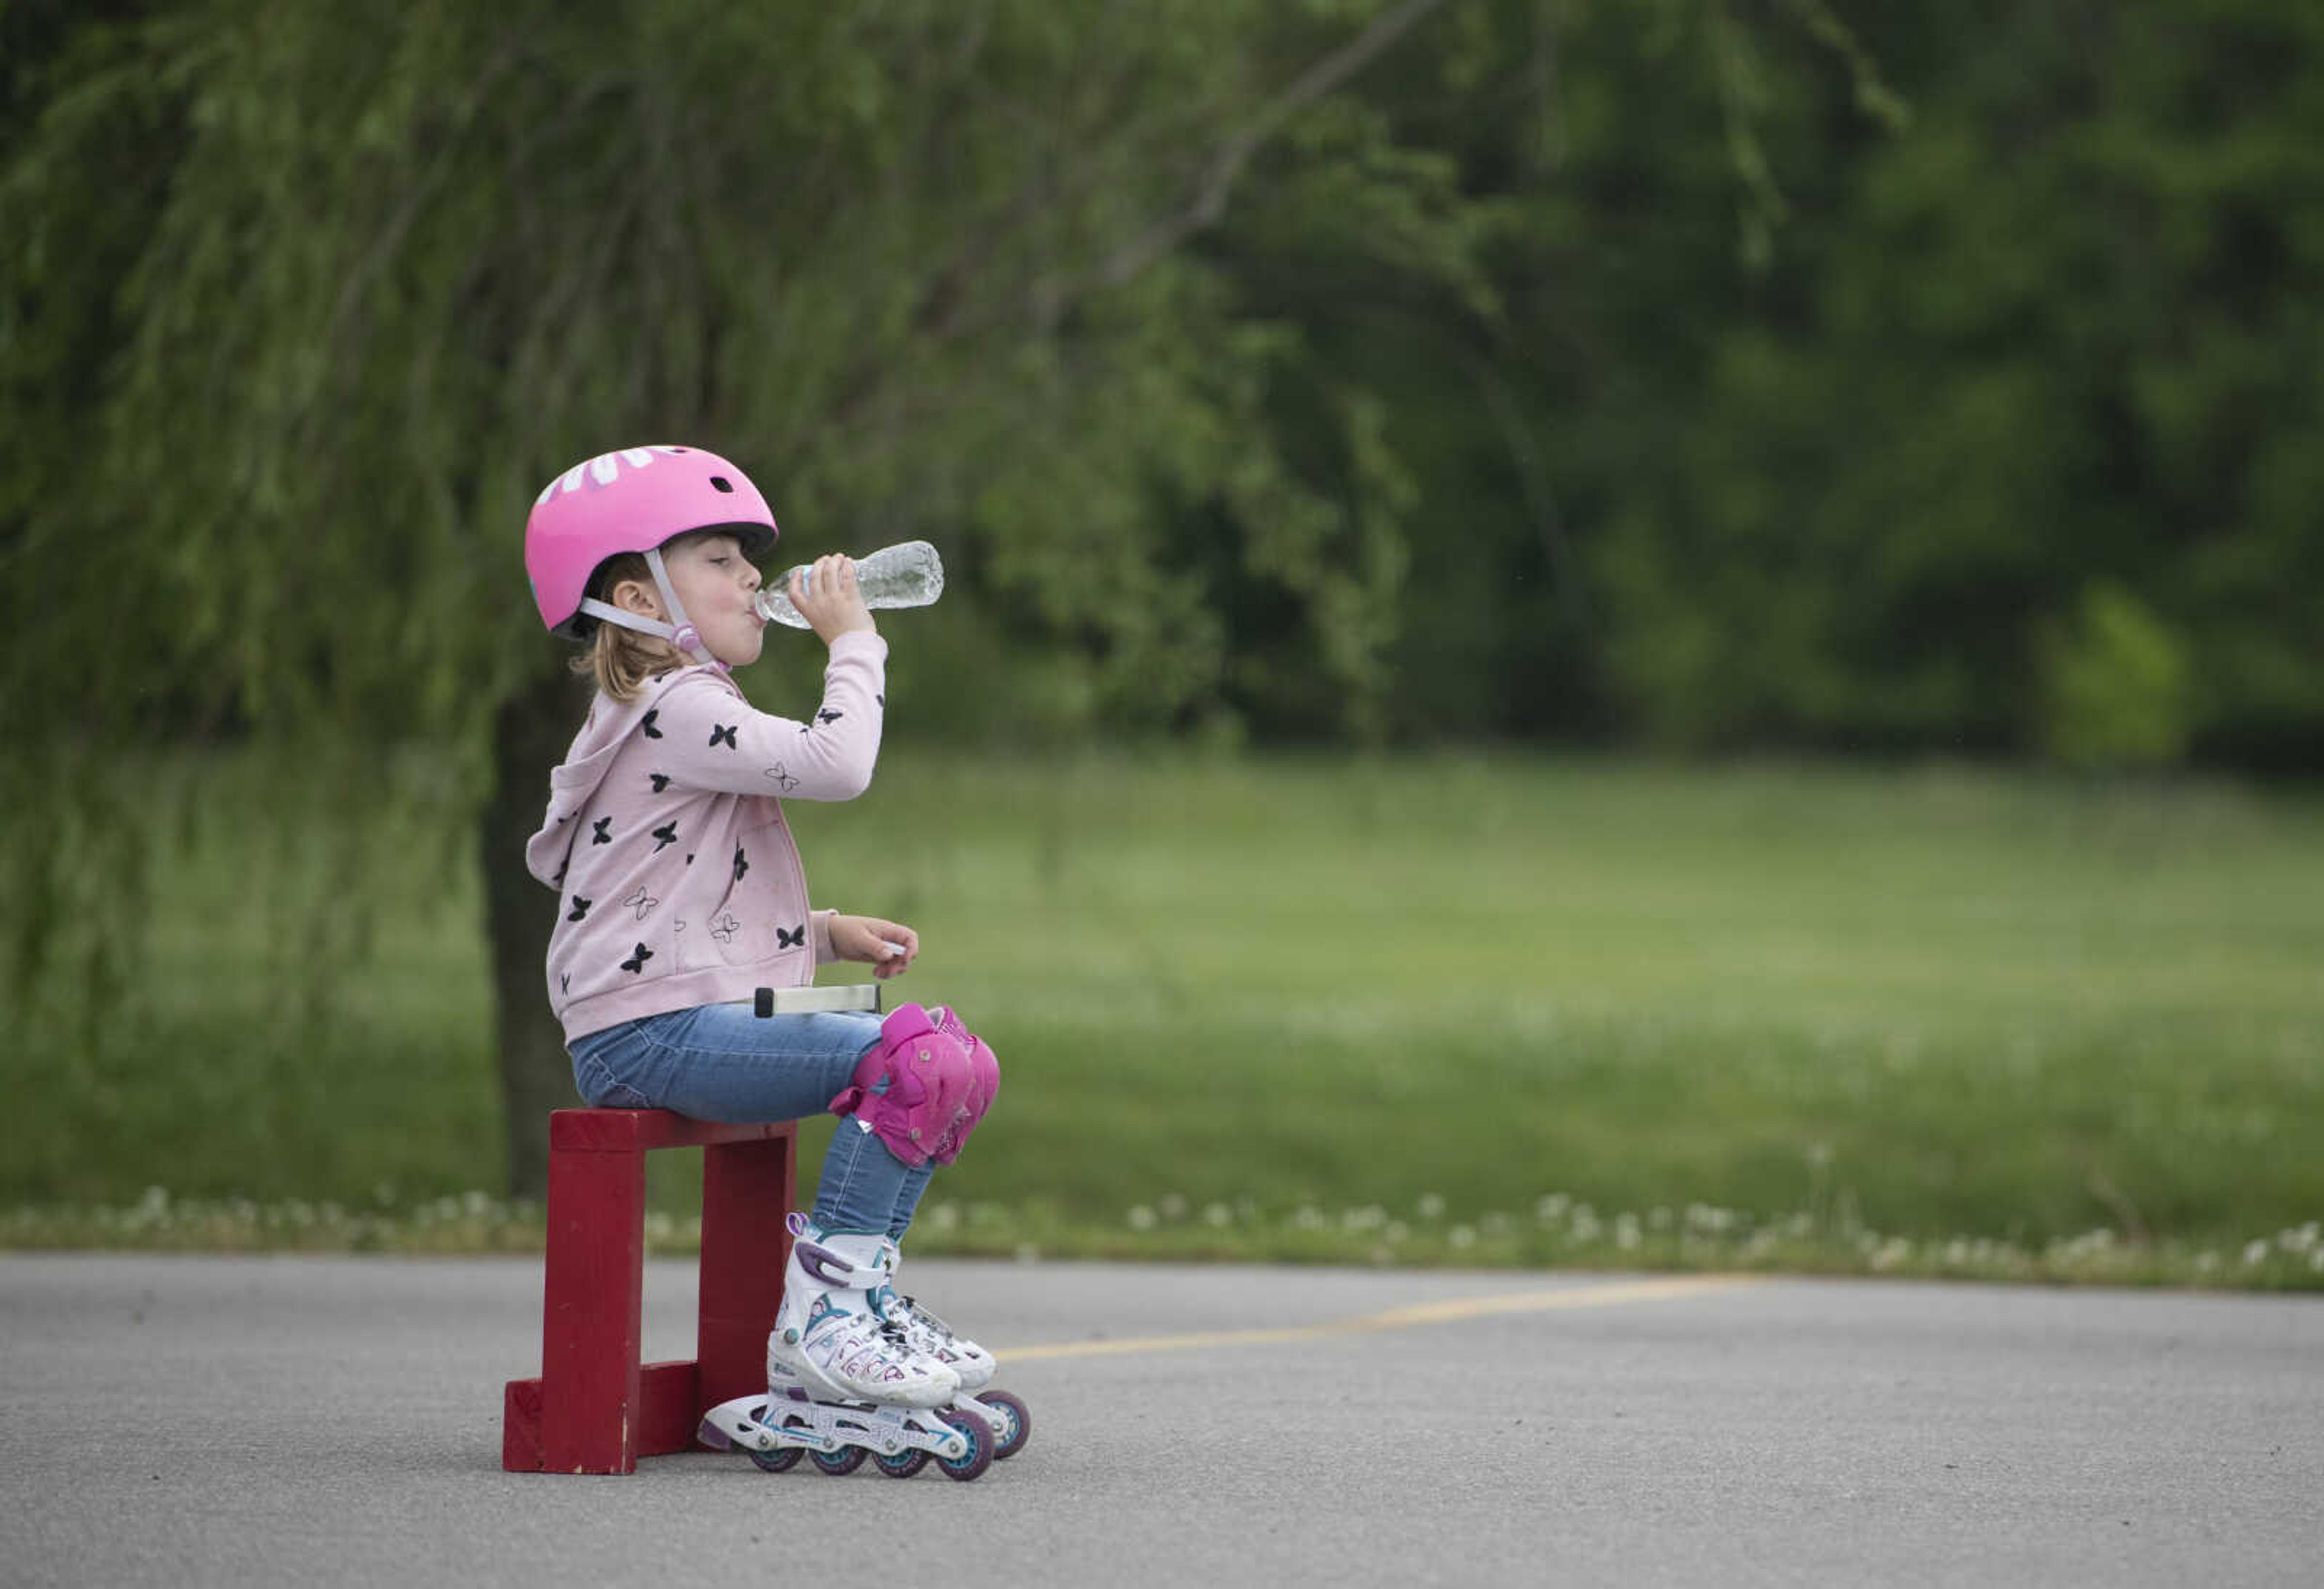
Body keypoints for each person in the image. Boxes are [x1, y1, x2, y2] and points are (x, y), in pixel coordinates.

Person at [519, 444, 1001, 1423]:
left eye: (749, 559)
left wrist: (821, 931)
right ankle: (826, 1318)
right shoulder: (673, 706)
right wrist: (856, 641)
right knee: (911, 1058)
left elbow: (679, 899)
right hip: (646, 1034)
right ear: (642, 600)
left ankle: (861, 1300)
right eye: (720, 559)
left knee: (956, 1062)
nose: (752, 579)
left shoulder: (676, 711)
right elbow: (838, 763)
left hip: (692, 1010)